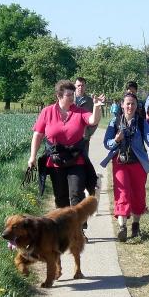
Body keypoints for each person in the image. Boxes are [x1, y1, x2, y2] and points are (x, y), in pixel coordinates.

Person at [28, 80, 105, 210]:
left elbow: (93, 120)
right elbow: (38, 135)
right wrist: (32, 156)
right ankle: (63, 228)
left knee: (76, 194)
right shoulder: (47, 112)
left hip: (76, 160)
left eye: (72, 94)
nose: (72, 98)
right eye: (68, 95)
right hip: (55, 161)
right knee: (60, 197)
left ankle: (78, 227)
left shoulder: (79, 112)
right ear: (59, 96)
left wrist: (97, 106)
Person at [101, 92, 149, 242]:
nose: (130, 106)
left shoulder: (141, 122)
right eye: (127, 103)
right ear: (122, 105)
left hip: (138, 164)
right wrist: (116, 140)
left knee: (138, 195)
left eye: (133, 104)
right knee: (122, 193)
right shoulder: (114, 122)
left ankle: (135, 225)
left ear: (136, 106)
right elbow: (107, 143)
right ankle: (122, 227)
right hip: (120, 163)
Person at [74, 77, 98, 156]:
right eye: (78, 85)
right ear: (75, 86)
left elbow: (95, 118)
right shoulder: (68, 99)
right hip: (68, 136)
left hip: (83, 137)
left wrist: (88, 132)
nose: (80, 87)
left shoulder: (90, 101)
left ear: (85, 87)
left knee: (83, 160)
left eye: (82, 85)